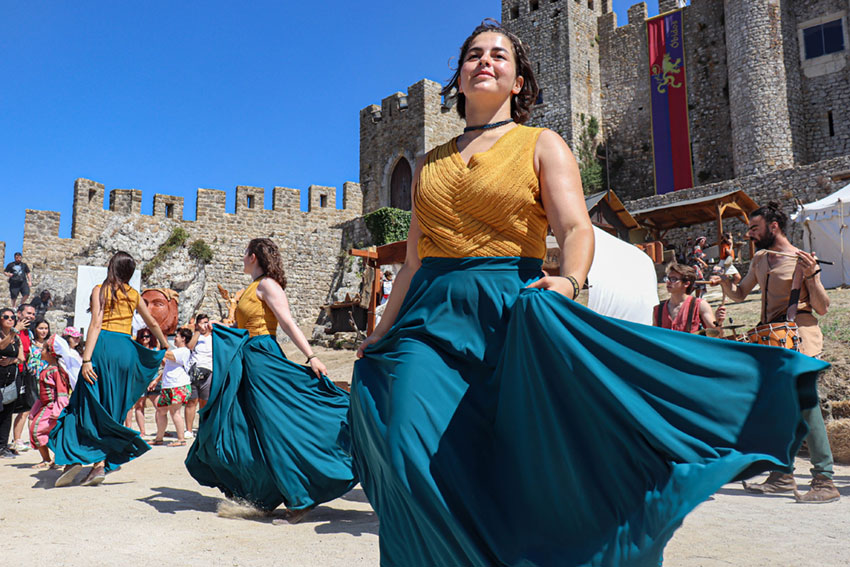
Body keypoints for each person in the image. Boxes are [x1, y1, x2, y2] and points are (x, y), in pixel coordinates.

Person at [350, 21, 827, 566]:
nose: (485, 61)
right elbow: (412, 262)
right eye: (473, 55)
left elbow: (576, 230)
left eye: (499, 56)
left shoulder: (541, 144)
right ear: (457, 80)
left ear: (518, 82)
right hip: (428, 319)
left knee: (508, 463)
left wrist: (570, 281)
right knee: (406, 446)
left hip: (509, 311)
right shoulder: (429, 163)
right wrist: (380, 331)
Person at [186, 237, 356, 521]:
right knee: (246, 427)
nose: (242, 258)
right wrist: (220, 326)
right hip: (246, 361)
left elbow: (287, 322)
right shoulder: (249, 289)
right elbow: (242, 327)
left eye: (244, 253)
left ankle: (301, 495)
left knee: (276, 426)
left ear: (253, 256)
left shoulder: (268, 285)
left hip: (263, 359)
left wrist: (311, 355)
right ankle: (264, 494)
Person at [710, 201, 839, 503]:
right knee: (781, 407)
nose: (750, 234)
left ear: (774, 227)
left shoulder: (801, 260)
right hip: (772, 338)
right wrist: (726, 282)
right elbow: (741, 293)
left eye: (754, 228)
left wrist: (812, 276)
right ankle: (782, 475)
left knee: (807, 404)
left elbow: (822, 307)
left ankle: (825, 479)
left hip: (801, 336)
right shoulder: (760, 259)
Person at [49, 251, 169, 488]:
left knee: (84, 403)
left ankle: (75, 456)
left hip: (103, 347)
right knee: (110, 408)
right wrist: (164, 345)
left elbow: (95, 324)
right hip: (125, 350)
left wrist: (86, 360)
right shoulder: (134, 294)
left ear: (111, 267)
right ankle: (99, 465)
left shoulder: (99, 290)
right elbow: (152, 322)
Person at [29, 335, 71, 468]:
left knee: (38, 430)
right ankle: (48, 459)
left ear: (50, 353)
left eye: (43, 349)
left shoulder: (57, 371)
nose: (41, 351)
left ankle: (58, 458)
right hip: (45, 405)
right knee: (40, 431)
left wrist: (58, 410)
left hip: (52, 407)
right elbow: (42, 394)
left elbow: (62, 392)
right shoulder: (47, 369)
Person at [653, 263, 726, 332]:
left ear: (686, 284)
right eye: (668, 278)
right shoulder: (658, 309)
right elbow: (654, 337)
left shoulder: (700, 305)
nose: (668, 282)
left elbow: (715, 334)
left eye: (673, 279)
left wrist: (718, 322)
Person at [151, 327, 192, 447]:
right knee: (161, 411)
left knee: (175, 412)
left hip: (178, 386)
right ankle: (159, 438)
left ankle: (181, 439)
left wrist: (159, 344)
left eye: (177, 336)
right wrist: (156, 380)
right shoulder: (176, 351)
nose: (175, 338)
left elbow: (167, 354)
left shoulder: (183, 351)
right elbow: (167, 369)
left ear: (183, 338)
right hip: (168, 386)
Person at [9, 303, 36, 453]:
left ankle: (17, 440)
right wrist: (15, 330)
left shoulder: (29, 333)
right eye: (28, 313)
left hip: (23, 373)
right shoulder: (12, 329)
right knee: (7, 407)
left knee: (25, 407)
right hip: (10, 372)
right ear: (19, 314)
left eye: (33, 314)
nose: (31, 316)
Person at [0, 308, 24, 458]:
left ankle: (2, 446)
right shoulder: (10, 335)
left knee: (8, 413)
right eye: (6, 317)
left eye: (12, 317)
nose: (10, 319)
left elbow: (22, 357)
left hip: (11, 379)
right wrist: (14, 331)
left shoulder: (17, 338)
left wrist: (12, 360)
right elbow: (1, 346)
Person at [184, 313, 213, 438]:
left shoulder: (214, 336)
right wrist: (197, 331)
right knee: (191, 401)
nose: (204, 325)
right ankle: (189, 430)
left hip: (209, 370)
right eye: (202, 322)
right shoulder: (195, 336)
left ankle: (203, 427)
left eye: (206, 322)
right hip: (194, 371)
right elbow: (190, 346)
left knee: (204, 401)